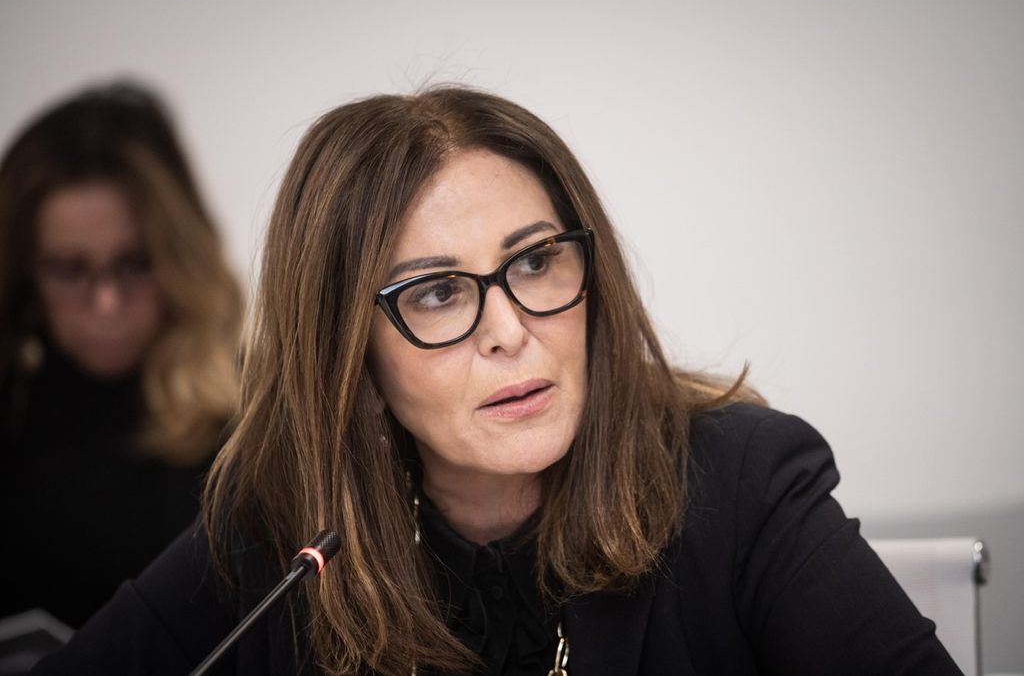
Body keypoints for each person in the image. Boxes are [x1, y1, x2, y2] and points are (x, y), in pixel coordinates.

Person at [31, 86, 961, 675]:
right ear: (352, 357)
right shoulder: (278, 532)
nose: (511, 331)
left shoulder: (744, 483)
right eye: (438, 292)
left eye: (535, 261)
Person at [0, 82, 244, 630]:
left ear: (179, 259)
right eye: (70, 269)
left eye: (134, 263)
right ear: (24, 272)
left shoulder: (250, 416)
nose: (107, 302)